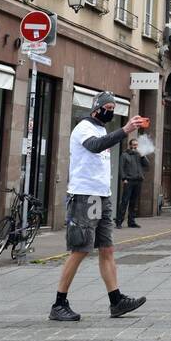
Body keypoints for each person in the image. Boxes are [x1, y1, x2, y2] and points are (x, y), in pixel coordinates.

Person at [49, 91, 147, 322]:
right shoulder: (84, 127)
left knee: (107, 248)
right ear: (97, 108)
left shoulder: (102, 128)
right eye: (108, 108)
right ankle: (59, 303)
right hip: (86, 196)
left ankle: (116, 301)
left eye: (114, 108)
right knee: (81, 248)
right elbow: (94, 146)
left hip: (102, 196)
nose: (111, 112)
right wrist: (124, 130)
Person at [116, 137, 148, 229]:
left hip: (138, 181)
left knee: (134, 202)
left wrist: (142, 156)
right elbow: (121, 168)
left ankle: (131, 222)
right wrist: (124, 178)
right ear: (130, 145)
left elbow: (147, 165)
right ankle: (119, 222)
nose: (135, 146)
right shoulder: (124, 155)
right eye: (134, 145)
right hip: (129, 180)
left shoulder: (139, 155)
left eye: (136, 145)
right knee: (124, 201)